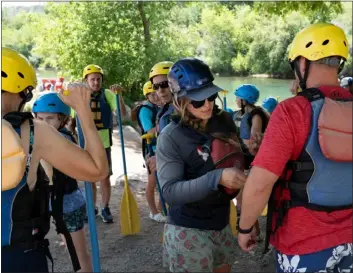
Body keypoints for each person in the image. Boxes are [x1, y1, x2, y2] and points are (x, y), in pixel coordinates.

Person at [238, 23, 352, 272]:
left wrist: (245, 227)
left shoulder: (292, 111)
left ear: (302, 63)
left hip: (304, 245)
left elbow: (260, 184)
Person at [1, 47, 108, 272]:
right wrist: (83, 111)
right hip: (19, 257)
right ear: (22, 92)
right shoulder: (31, 132)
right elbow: (98, 170)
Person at [157, 58, 252, 272]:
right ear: (179, 100)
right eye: (198, 101)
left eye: (210, 96)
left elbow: (242, 157)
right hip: (187, 230)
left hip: (221, 223)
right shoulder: (171, 137)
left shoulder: (224, 119)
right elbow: (170, 192)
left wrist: (253, 152)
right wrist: (216, 178)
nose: (208, 105)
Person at [32, 92, 92, 272]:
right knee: (72, 249)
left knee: (78, 256)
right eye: (40, 118)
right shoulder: (52, 136)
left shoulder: (61, 139)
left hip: (68, 204)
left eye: (50, 118)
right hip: (60, 202)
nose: (44, 123)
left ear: (62, 119)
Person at [77, 64, 126, 223]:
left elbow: (122, 114)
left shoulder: (108, 94)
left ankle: (105, 207)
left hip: (104, 142)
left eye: (98, 79)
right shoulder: (79, 96)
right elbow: (71, 120)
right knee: (90, 178)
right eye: (92, 79)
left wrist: (118, 96)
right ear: (86, 81)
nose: (96, 82)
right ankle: (92, 208)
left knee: (104, 177)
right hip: (86, 143)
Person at [135, 81, 165, 222]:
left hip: (162, 149)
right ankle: (153, 212)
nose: (156, 96)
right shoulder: (145, 110)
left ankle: (161, 209)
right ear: (147, 96)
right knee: (152, 182)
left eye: (156, 93)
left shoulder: (162, 107)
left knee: (163, 181)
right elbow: (150, 132)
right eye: (152, 95)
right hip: (151, 150)